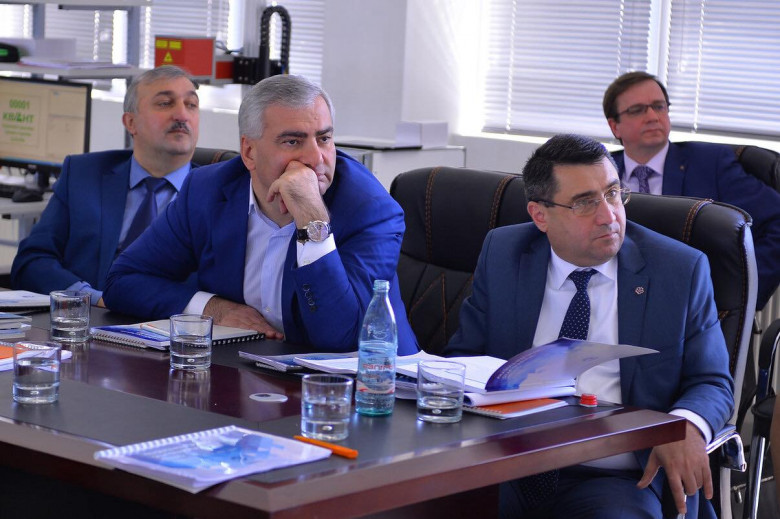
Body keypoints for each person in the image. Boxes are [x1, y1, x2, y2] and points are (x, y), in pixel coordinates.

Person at [444, 134, 733, 518]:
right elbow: (464, 358)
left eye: (612, 194)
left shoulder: (678, 269)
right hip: (507, 464)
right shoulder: (504, 253)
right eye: (584, 203)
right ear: (540, 215)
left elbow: (712, 381)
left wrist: (684, 427)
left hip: (615, 477)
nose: (608, 216)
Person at [103, 74, 417, 355]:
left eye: (324, 138)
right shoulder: (208, 191)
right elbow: (123, 282)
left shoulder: (370, 210)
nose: (316, 158)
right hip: (245, 370)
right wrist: (213, 309)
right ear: (249, 152)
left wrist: (311, 219)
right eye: (292, 141)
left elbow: (340, 335)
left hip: (369, 385)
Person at [10, 65, 200, 307]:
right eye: (165, 103)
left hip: (165, 323)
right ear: (131, 122)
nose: (182, 115)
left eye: (191, 105)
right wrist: (90, 298)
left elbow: (213, 289)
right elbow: (31, 261)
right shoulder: (83, 174)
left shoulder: (217, 195)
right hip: (82, 318)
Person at [603, 71, 780, 310]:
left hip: (689, 303)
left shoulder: (711, 164)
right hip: (610, 299)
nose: (653, 117)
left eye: (659, 106)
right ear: (615, 126)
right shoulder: (599, 171)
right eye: (637, 110)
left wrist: (744, 288)